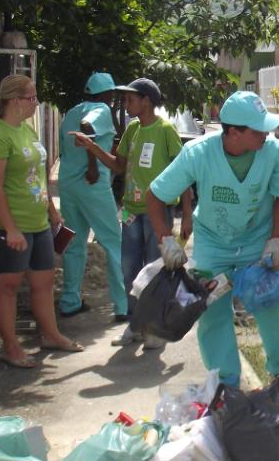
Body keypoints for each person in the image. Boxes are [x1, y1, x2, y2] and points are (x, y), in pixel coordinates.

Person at [146, 91, 279, 387]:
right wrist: (167, 241)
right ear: (234, 132)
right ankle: (226, 384)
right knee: (212, 314)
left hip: (256, 242)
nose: (266, 134)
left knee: (273, 302)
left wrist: (275, 239)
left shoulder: (273, 152)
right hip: (213, 245)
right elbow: (155, 195)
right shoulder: (198, 154)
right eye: (257, 129)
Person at [0, 74, 84, 368]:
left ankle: (51, 335)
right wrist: (10, 228)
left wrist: (51, 211)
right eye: (32, 98)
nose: (36, 103)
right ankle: (11, 347)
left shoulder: (27, 132)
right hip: (3, 227)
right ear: (15, 101)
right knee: (7, 286)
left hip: (38, 224)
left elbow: (39, 177)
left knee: (43, 283)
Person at [69, 78, 191, 345]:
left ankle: (154, 328)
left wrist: (187, 214)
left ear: (146, 100)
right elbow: (118, 165)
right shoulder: (132, 129)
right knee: (129, 271)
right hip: (131, 213)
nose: (126, 105)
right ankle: (135, 326)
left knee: (154, 271)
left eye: (130, 100)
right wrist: (92, 147)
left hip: (158, 215)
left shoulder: (165, 130)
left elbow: (184, 172)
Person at [57, 72, 126, 319]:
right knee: (113, 242)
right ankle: (123, 306)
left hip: (68, 185)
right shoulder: (100, 109)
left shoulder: (70, 113)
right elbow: (88, 126)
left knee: (74, 244)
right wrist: (94, 165)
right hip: (91, 183)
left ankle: (69, 301)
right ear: (107, 94)